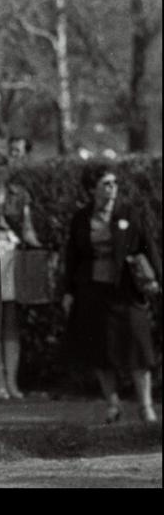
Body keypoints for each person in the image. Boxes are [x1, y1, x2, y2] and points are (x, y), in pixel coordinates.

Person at [62, 164, 161, 424]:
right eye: (106, 183)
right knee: (101, 350)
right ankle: (113, 405)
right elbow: (72, 257)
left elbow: (149, 247)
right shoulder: (81, 218)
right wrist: (68, 291)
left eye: (114, 183)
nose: (112, 188)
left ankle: (146, 407)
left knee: (139, 348)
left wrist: (157, 279)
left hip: (126, 291)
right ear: (92, 188)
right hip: (93, 292)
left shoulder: (130, 213)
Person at [0, 153, 43, 400]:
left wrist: (39, 248)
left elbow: (27, 228)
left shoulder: (20, 195)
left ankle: (12, 382)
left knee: (11, 319)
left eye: (2, 166)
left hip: (14, 255)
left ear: (8, 170)